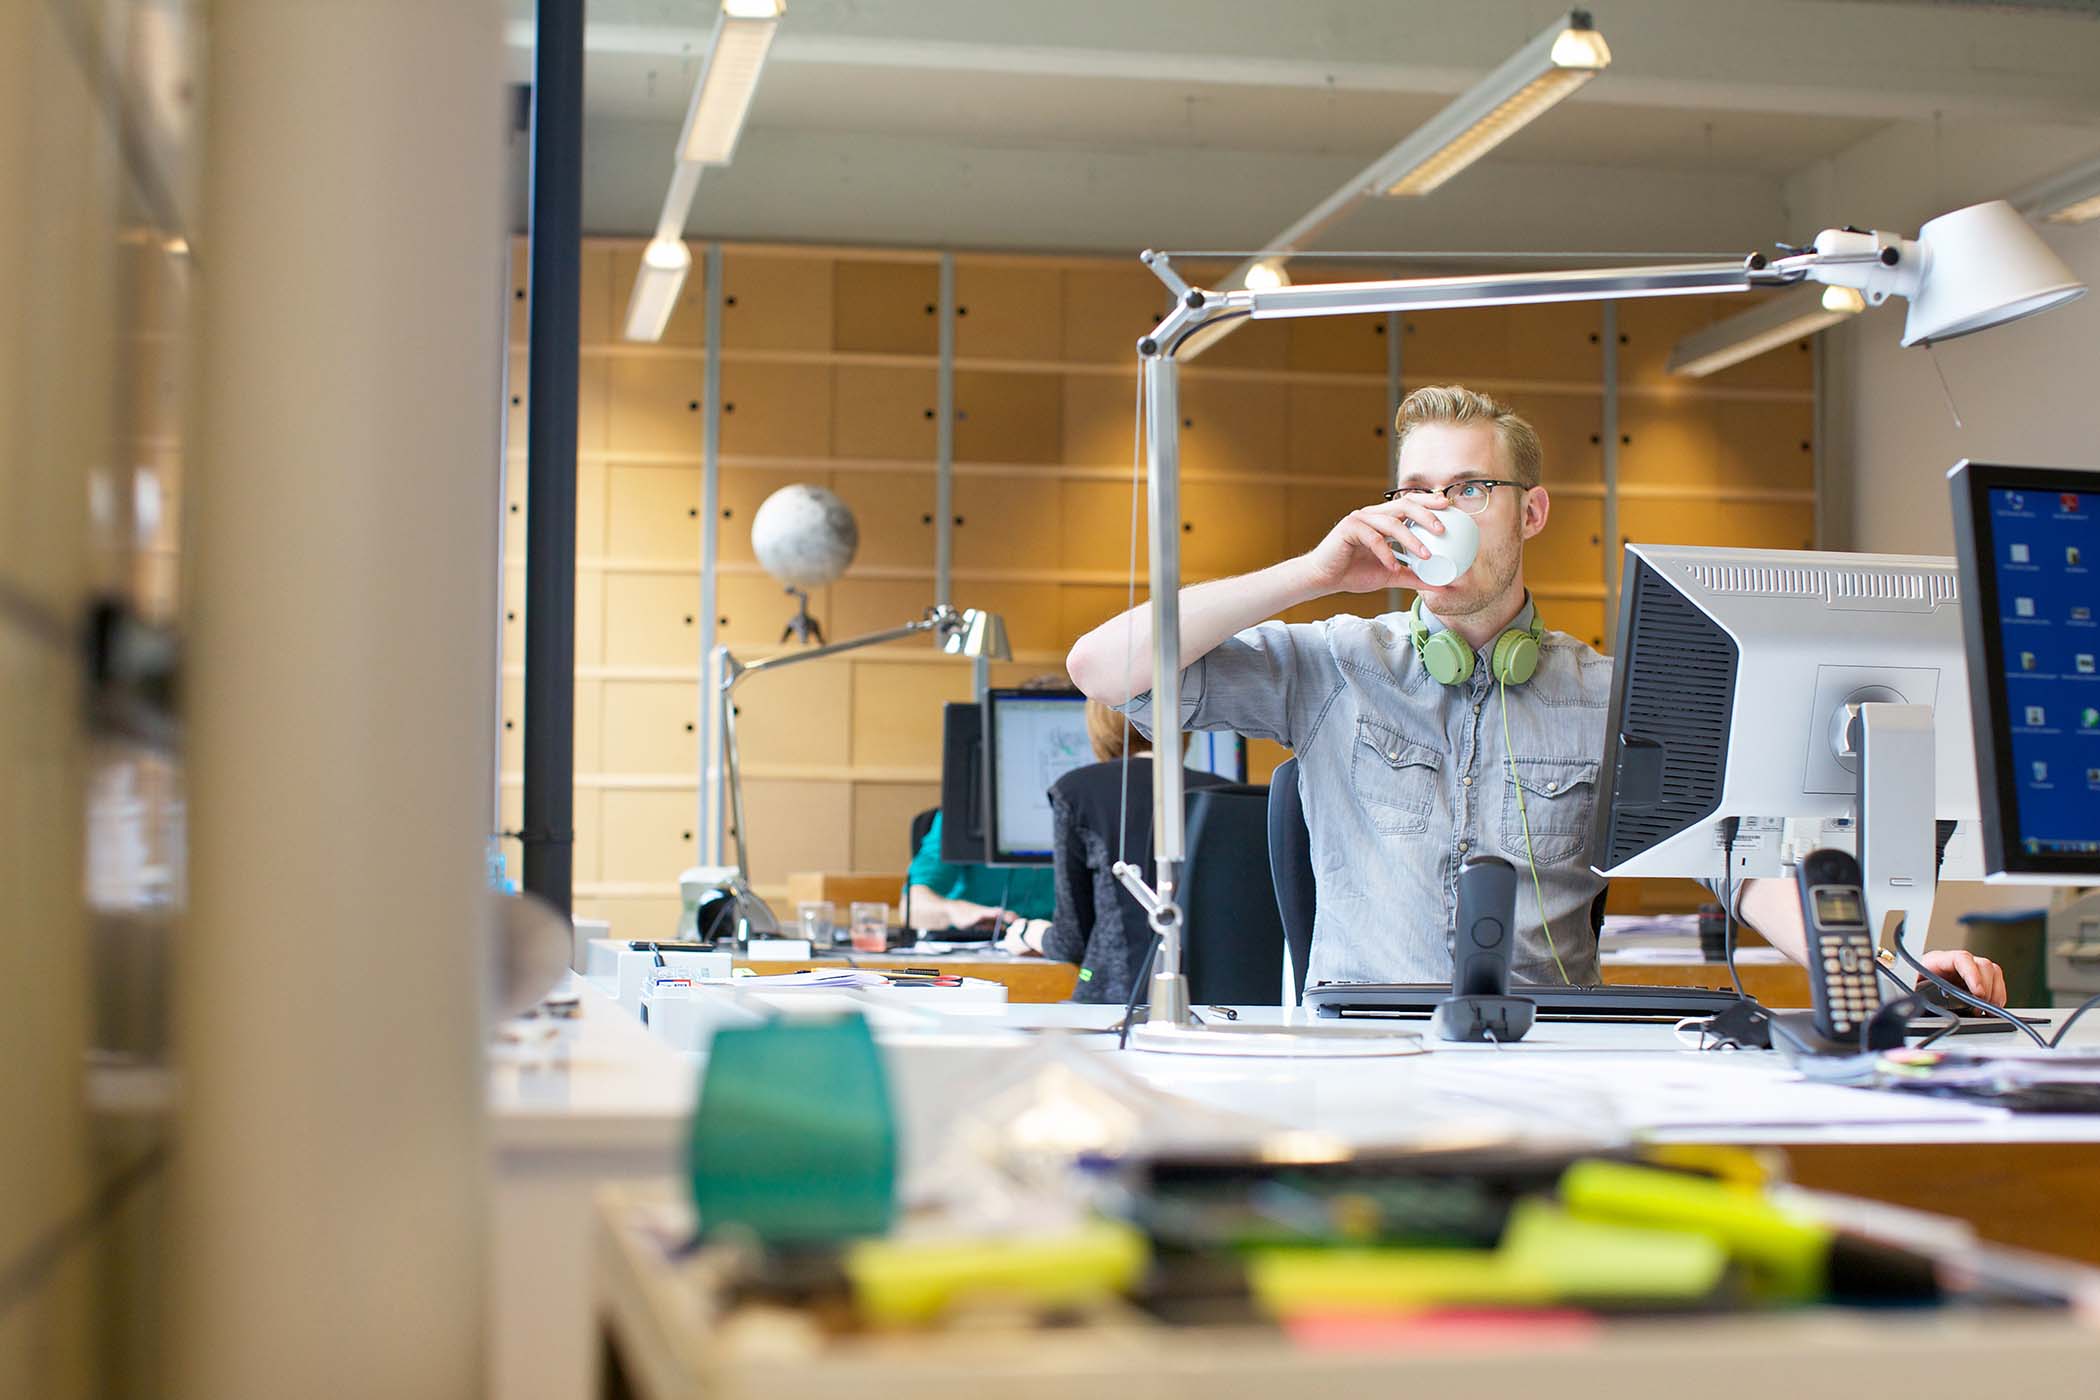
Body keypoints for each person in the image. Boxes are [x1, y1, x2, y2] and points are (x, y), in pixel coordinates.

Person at [1065, 384, 2009, 1006]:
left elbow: (1745, 868)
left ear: (1531, 510)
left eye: (1469, 488)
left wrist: (1889, 971)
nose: (1435, 512)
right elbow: (1103, 669)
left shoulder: (1612, 695)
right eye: (1415, 490)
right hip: (1367, 1045)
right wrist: (1313, 574)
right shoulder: (1334, 662)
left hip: (1554, 1047)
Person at [1000, 700, 1224, 1003]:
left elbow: (1071, 942)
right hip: (1212, 1004)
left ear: (1101, 727)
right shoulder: (1223, 792)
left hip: (1114, 1003)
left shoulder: (1075, 791)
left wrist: (1029, 933)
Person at [905, 810, 1054, 933]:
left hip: (1054, 945)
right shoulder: (960, 816)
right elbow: (913, 907)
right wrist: (955, 911)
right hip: (974, 943)